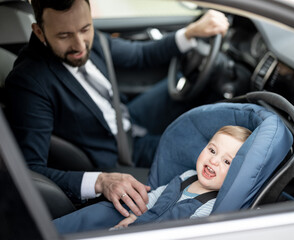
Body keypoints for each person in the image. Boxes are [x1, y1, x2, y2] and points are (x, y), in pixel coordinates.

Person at [4, 0, 229, 218]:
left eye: (85, 29)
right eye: (64, 36)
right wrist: (101, 181)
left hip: (125, 122)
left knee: (209, 124)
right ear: (40, 32)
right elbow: (30, 170)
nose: (80, 45)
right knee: (207, 154)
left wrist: (190, 33)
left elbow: (141, 54)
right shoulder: (29, 82)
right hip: (115, 158)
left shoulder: (94, 40)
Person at [54, 125, 252, 233]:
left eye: (227, 162)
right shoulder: (188, 176)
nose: (214, 161)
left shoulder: (211, 204)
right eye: (211, 150)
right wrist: (133, 217)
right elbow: (157, 196)